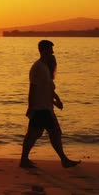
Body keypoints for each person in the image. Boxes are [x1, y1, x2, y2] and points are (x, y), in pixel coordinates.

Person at [20, 40, 81, 169]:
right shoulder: (38, 68)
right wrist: (31, 107)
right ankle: (63, 160)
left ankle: (25, 159)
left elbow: (48, 89)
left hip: (46, 107)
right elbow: (33, 88)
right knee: (50, 133)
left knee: (37, 134)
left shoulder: (44, 67)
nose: (52, 52)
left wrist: (56, 100)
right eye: (50, 49)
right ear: (43, 50)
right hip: (41, 108)